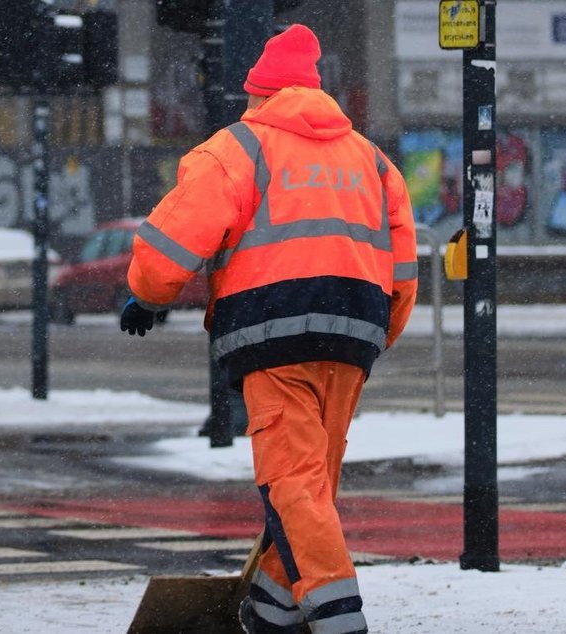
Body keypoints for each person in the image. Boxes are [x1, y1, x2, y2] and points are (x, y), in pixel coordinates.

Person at [120, 24, 417, 634]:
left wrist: (147, 298)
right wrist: (374, 334)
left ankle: (340, 618)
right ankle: (271, 608)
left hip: (272, 333)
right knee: (312, 483)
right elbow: (404, 268)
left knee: (292, 483)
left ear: (260, 95)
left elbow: (170, 245)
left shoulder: (240, 148)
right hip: (354, 334)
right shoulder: (373, 160)